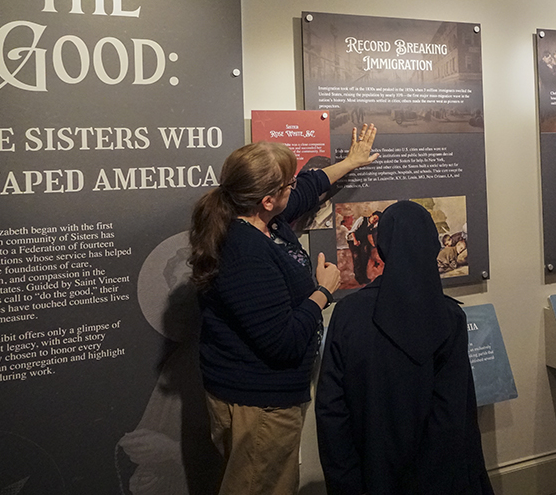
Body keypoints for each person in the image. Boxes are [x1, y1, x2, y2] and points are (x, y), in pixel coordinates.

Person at [188, 124, 378, 495]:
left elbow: (308, 187)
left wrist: (350, 162)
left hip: (256, 398)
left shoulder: (254, 219)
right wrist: (324, 290)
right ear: (267, 200)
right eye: (287, 185)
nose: (296, 187)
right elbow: (284, 341)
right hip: (260, 406)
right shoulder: (244, 251)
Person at [315, 201, 494, 495]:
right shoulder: (449, 318)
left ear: (381, 246)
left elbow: (331, 409)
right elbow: (453, 416)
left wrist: (343, 479)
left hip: (368, 471)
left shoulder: (348, 314)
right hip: (435, 480)